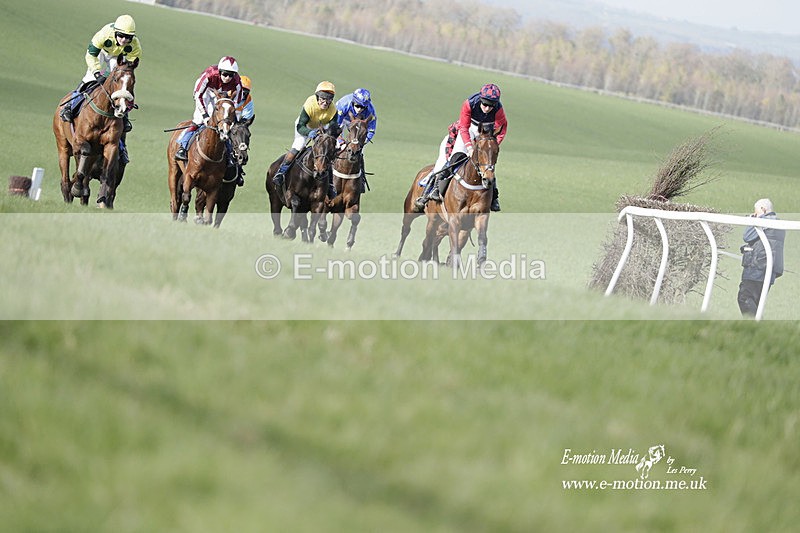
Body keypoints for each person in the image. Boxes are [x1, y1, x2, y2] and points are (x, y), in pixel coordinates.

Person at [59, 14, 142, 164]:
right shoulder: (104, 35)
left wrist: (113, 76)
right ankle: (71, 106)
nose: (124, 40)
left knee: (119, 86)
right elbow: (91, 55)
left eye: (128, 37)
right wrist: (98, 72)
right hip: (100, 55)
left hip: (118, 61)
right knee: (89, 79)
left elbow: (127, 69)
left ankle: (124, 118)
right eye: (121, 36)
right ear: (116, 32)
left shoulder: (135, 46)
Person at [416, 83, 507, 212]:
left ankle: (494, 198)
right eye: (485, 105)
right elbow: (464, 128)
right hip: (467, 131)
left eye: (491, 106)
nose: (487, 109)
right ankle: (431, 191)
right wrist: (469, 147)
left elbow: (502, 130)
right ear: (480, 100)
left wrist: (492, 145)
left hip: (485, 136)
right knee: (454, 158)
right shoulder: (469, 104)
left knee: (488, 164)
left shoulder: (498, 109)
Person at [174, 56, 243, 161]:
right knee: (198, 120)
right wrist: (205, 115)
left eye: (231, 75)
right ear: (219, 72)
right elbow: (198, 95)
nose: (228, 78)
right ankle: (182, 147)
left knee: (225, 125)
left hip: (221, 96)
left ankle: (229, 154)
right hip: (204, 93)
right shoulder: (210, 74)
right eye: (225, 74)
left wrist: (232, 119)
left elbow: (237, 102)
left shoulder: (237, 82)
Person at [273, 81, 338, 192]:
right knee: (298, 146)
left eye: (329, 99)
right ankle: (281, 172)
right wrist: (309, 133)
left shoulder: (333, 110)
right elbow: (300, 126)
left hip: (321, 128)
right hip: (305, 126)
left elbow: (332, 129)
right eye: (323, 98)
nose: (326, 102)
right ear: (317, 97)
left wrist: (326, 136)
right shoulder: (310, 104)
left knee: (326, 153)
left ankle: (331, 185)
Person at [737, 198, 785, 317]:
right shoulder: (779, 224)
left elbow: (747, 236)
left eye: (756, 212)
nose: (755, 214)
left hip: (757, 268)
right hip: (770, 270)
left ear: (763, 209)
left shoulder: (765, 221)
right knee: (756, 304)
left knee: (744, 298)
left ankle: (756, 330)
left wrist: (752, 220)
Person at [335, 88, 377, 192]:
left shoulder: (371, 112)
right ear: (353, 102)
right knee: (335, 145)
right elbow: (335, 126)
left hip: (359, 125)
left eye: (363, 107)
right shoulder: (343, 104)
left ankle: (361, 178)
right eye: (357, 106)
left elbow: (371, 131)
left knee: (358, 152)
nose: (359, 109)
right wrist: (340, 140)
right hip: (342, 120)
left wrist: (360, 144)